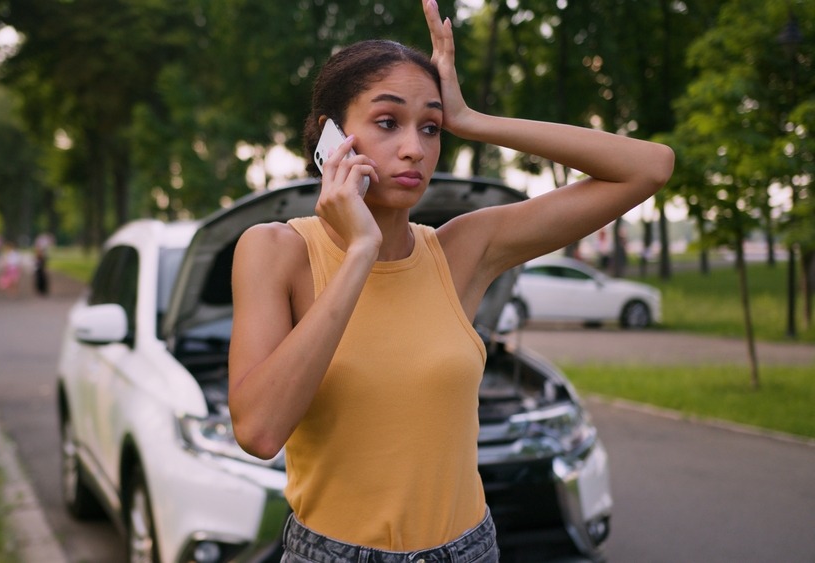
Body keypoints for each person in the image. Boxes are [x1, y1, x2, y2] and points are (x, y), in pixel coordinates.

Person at [228, 1, 674, 561]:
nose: (415, 147)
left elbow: (650, 166)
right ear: (330, 137)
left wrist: (472, 120)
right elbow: (260, 431)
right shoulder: (275, 250)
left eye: (431, 128)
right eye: (388, 122)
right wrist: (361, 250)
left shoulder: (460, 250)